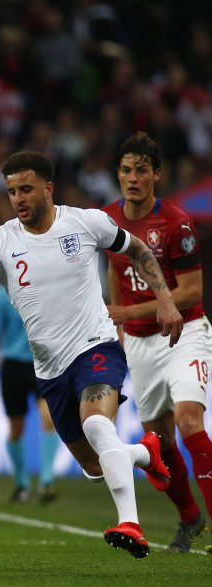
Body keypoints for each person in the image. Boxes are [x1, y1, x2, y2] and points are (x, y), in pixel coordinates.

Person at [0, 150, 183, 558]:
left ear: (48, 188)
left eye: (26, 189)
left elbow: (138, 251)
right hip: (49, 369)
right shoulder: (1, 242)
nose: (19, 198)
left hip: (97, 347)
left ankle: (130, 522)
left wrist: (163, 297)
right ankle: (146, 451)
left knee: (96, 424)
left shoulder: (85, 222)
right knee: (94, 467)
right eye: (11, 192)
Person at [103, 132, 212, 553]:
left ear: (156, 175)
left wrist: (126, 313)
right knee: (160, 444)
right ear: (118, 174)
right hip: (139, 344)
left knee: (188, 422)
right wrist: (120, 325)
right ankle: (189, 517)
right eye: (127, 170)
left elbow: (190, 292)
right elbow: (115, 267)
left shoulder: (176, 224)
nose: (133, 178)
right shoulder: (107, 219)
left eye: (142, 170)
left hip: (185, 333)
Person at [0, 283, 60, 504]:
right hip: (13, 366)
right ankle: (22, 482)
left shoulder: (48, 287)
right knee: (16, 427)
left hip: (42, 363)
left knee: (48, 417)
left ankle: (46, 480)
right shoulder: (3, 296)